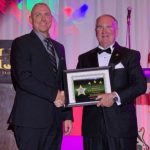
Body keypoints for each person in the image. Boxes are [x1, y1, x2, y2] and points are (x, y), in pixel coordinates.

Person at [8, 3, 73, 150]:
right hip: (30, 120)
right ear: (30, 19)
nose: (43, 18)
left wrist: (67, 115)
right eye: (38, 15)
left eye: (47, 14)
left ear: (52, 19)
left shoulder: (59, 47)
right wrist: (55, 94)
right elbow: (24, 79)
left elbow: (64, 81)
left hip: (55, 121)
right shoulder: (21, 43)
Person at [77, 14, 147, 150]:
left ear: (116, 30)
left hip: (122, 129)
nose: (104, 31)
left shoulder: (130, 55)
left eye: (108, 27)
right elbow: (77, 88)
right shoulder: (84, 58)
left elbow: (140, 85)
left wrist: (114, 96)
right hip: (92, 130)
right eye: (100, 27)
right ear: (95, 31)